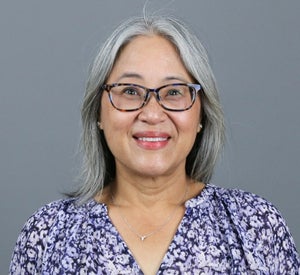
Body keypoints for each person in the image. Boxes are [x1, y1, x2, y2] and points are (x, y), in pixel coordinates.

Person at [9, 14, 299, 274]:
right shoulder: (47, 234)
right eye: (131, 91)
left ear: (201, 114)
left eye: (174, 91)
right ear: (99, 112)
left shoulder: (256, 226)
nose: (151, 113)